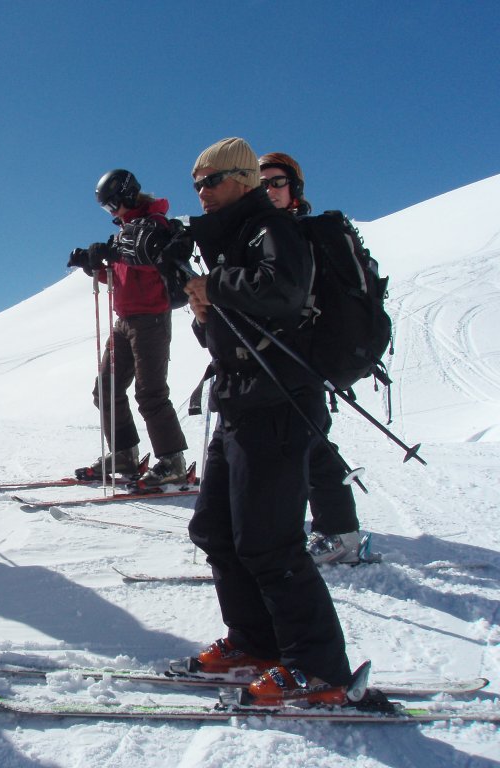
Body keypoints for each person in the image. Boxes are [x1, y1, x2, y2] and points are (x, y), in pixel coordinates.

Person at [178, 137, 353, 705]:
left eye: (210, 181)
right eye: (196, 185)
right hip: (238, 401)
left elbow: (282, 290)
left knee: (270, 542)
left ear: (241, 179)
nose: (201, 193)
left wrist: (214, 287)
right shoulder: (233, 239)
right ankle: (255, 642)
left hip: (277, 404)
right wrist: (204, 312)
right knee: (215, 530)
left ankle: (319, 669)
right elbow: (232, 333)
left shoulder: (271, 229)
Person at [258, 152, 365, 565]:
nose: (269, 190)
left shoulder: (301, 234)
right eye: (261, 184)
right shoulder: (269, 233)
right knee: (300, 441)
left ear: (295, 189)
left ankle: (340, 533)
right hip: (279, 355)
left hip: (302, 355)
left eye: (277, 182)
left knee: (310, 442)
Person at [67, 170, 188, 489]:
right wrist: (92, 265)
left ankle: (173, 461)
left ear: (128, 195)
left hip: (151, 319)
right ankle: (124, 454)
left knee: (150, 393)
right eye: (107, 208)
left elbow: (149, 260)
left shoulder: (155, 225)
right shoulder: (124, 232)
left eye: (114, 204)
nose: (113, 211)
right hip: (124, 320)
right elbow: (122, 275)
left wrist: (112, 253)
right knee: (105, 389)